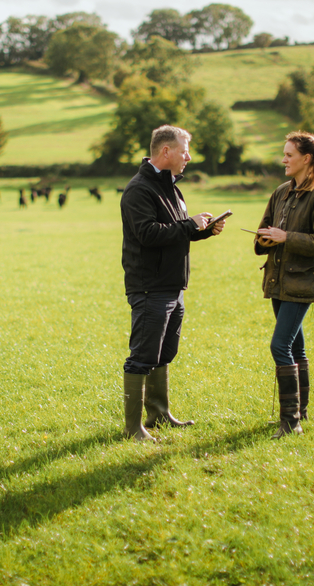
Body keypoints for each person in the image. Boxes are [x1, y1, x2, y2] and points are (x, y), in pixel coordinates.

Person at [119, 125, 227, 441]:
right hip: (150, 286)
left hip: (173, 286)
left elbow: (174, 231)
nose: (188, 157)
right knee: (142, 356)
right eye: (184, 151)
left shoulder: (172, 187)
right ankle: (132, 428)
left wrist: (203, 229)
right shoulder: (139, 189)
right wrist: (188, 225)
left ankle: (159, 414)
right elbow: (148, 234)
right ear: (166, 151)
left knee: (164, 352)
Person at [254, 131, 314, 439]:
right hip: (278, 279)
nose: (283, 159)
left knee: (279, 346)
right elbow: (264, 228)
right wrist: (264, 238)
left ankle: (290, 422)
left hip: (305, 282)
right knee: (294, 346)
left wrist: (286, 237)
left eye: (289, 155)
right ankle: (300, 411)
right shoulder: (281, 192)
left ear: (306, 159)